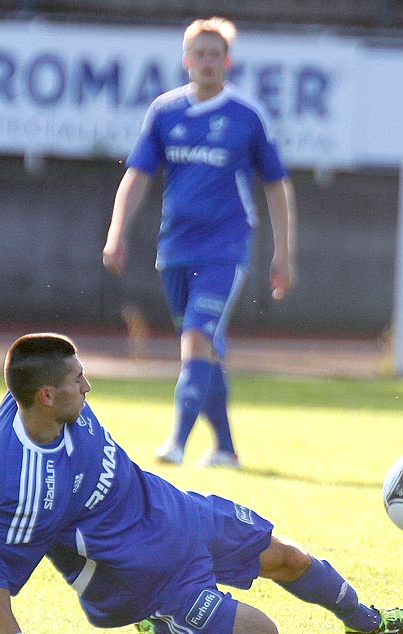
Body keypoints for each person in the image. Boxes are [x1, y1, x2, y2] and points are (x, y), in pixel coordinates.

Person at [0, 333, 403, 634]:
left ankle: (368, 622)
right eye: (78, 380)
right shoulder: (21, 481)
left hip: (179, 512)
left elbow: (28, 364)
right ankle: (158, 624)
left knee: (290, 558)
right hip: (152, 581)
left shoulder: (36, 394)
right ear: (47, 397)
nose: (88, 386)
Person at [102, 16, 297, 468]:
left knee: (196, 337)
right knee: (205, 348)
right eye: (200, 53)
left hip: (225, 250)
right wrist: (117, 233)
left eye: (216, 54)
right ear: (187, 60)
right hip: (173, 250)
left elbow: (277, 186)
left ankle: (176, 443)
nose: (208, 62)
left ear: (227, 61)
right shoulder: (165, 112)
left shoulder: (246, 116)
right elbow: (137, 176)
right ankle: (226, 449)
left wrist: (283, 253)